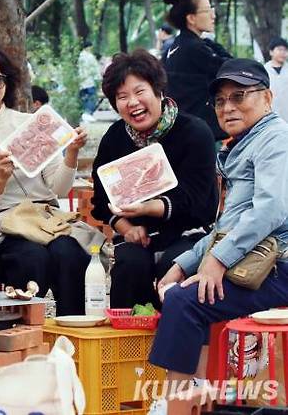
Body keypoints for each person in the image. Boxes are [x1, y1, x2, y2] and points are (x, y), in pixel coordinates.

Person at [148, 58, 288, 414]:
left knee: (185, 302)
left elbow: (270, 210)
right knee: (180, 290)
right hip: (257, 262)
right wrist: (184, 264)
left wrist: (217, 260)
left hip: (279, 266)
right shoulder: (241, 144)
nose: (228, 107)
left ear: (267, 98)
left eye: (239, 96)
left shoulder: (274, 139)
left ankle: (175, 405)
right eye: (221, 100)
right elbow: (229, 225)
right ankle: (193, 397)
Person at [0, 45, 90, 315]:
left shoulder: (33, 123)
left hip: (47, 219)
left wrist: (71, 154)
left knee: (70, 254)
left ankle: (72, 337)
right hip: (1, 229)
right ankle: (23, 340)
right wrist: (0, 180)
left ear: (7, 83)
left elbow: (58, 188)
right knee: (31, 260)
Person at [91, 49, 218, 309]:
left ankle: (175, 342)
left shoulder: (194, 132)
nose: (132, 102)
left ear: (158, 91)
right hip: (138, 235)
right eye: (122, 97)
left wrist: (149, 207)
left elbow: (195, 200)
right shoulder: (115, 138)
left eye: (140, 92)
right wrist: (126, 227)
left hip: (188, 233)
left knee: (173, 264)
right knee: (129, 265)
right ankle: (128, 343)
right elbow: (102, 200)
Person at [162, 0, 232, 141]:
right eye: (207, 11)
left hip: (184, 127)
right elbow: (230, 68)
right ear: (191, 18)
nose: (213, 16)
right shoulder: (194, 48)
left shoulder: (175, 46)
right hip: (201, 132)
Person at [264, 37, 288, 122]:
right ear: (271, 52)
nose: (283, 53)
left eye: (285, 50)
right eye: (279, 49)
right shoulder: (264, 70)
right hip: (269, 115)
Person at [78, 40, 101, 123]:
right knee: (92, 98)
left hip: (81, 82)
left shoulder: (79, 57)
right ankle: (88, 114)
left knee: (84, 98)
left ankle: (84, 114)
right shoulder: (90, 57)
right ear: (89, 47)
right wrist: (98, 79)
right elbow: (95, 69)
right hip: (89, 82)